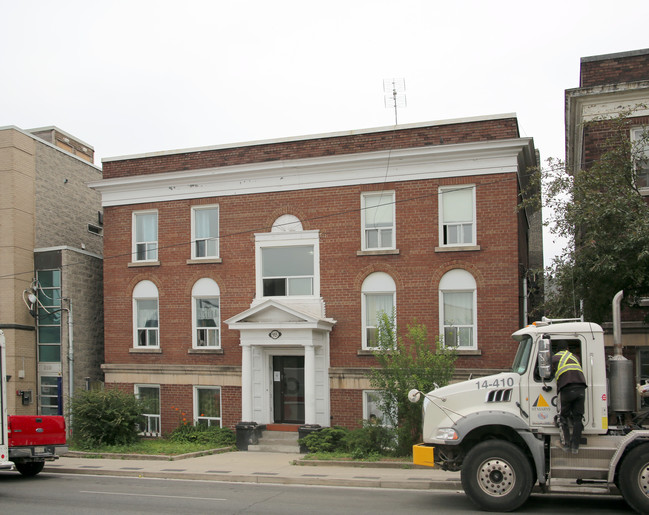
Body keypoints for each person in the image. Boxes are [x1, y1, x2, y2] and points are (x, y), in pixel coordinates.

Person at [552, 342, 587, 454]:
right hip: (581, 389)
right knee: (577, 418)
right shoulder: (575, 357)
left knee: (562, 417)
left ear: (558, 350)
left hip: (566, 388)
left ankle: (566, 444)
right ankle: (575, 447)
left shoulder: (555, 358)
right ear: (567, 348)